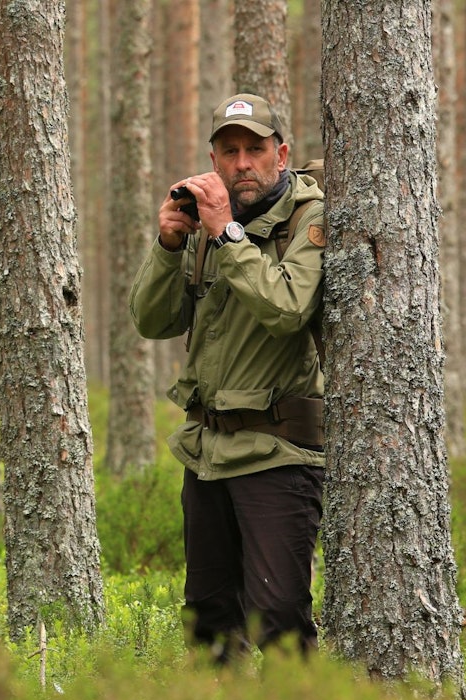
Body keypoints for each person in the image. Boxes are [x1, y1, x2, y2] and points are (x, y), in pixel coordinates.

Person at [129, 93, 327, 662]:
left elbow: (288, 308)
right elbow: (152, 320)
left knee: (280, 618)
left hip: (278, 452)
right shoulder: (205, 228)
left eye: (255, 150)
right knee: (210, 618)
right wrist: (170, 245)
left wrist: (226, 236)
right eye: (229, 150)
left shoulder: (307, 219)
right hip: (208, 452)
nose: (242, 163)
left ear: (281, 154)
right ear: (213, 159)